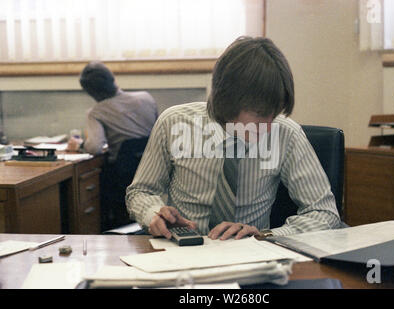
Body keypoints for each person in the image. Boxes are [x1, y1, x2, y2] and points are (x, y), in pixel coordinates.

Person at [126, 36, 341, 240]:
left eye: (273, 114)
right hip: (182, 253)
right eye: (260, 114)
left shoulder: (286, 133)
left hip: (251, 257)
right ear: (228, 100)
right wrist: (154, 214)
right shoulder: (173, 123)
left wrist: (265, 236)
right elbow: (141, 191)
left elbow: (325, 213)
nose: (268, 127)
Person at [67, 61, 159, 163]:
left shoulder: (96, 113)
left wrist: (79, 145)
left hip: (121, 170)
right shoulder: (146, 98)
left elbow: (95, 148)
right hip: (153, 166)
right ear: (112, 78)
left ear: (90, 92)